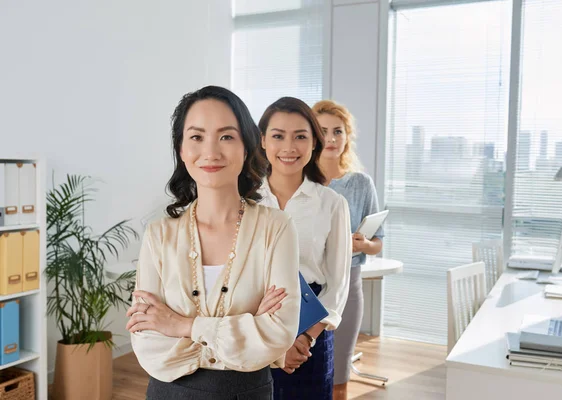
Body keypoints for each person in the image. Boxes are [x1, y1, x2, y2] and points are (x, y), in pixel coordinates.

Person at [125, 86, 301, 400]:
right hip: (169, 393)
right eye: (196, 137)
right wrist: (246, 328)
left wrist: (182, 325)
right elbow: (147, 342)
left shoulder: (276, 227)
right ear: (181, 149)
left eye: (226, 136)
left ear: (246, 147)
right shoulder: (159, 234)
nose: (211, 152)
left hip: (247, 392)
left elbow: (279, 333)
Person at [257, 96, 352, 400]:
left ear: (314, 143)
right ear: (262, 141)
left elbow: (338, 284)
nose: (289, 147)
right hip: (255, 326)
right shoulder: (244, 201)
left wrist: (304, 339)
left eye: (300, 136)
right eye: (278, 136)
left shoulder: (332, 204)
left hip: (311, 333)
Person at [313, 99, 384, 400]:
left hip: (348, 286)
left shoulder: (360, 184)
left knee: (339, 373)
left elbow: (378, 242)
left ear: (347, 136)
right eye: (322, 131)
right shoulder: (298, 181)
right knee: (300, 372)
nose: (330, 139)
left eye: (338, 131)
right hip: (304, 286)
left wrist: (364, 244)